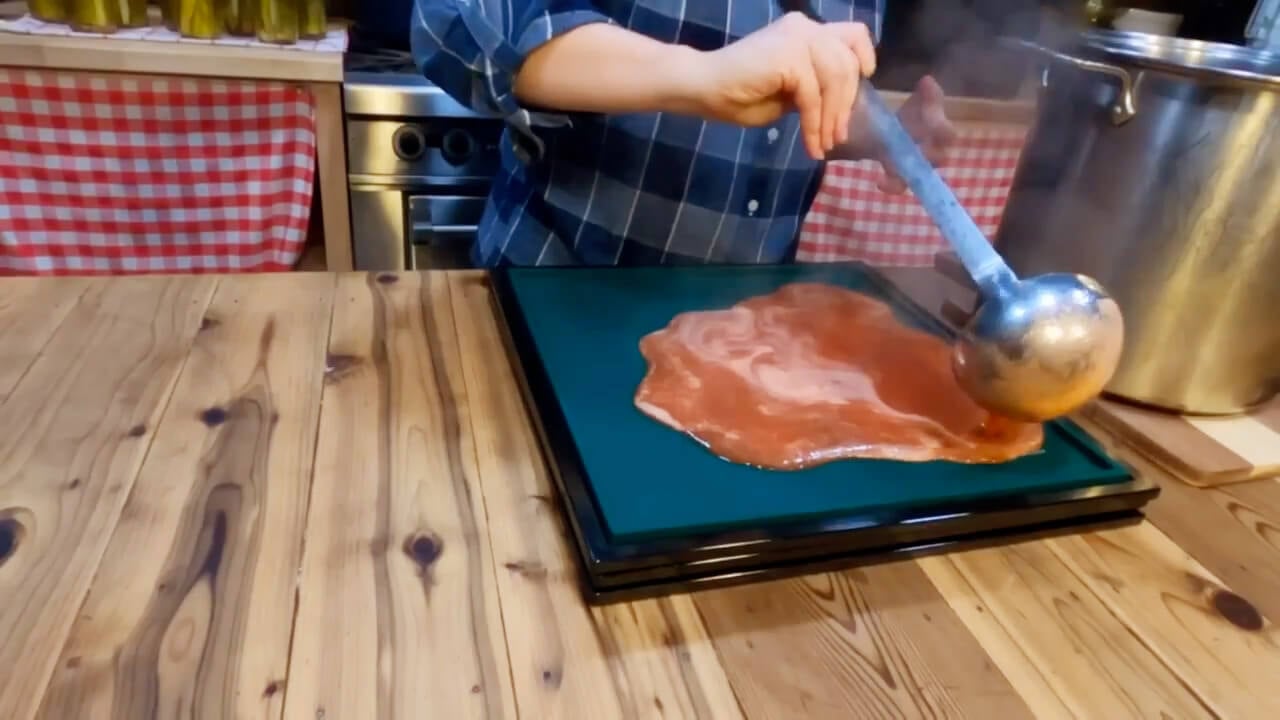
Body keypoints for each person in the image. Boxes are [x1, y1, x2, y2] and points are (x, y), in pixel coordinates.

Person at [410, 1, 955, 267]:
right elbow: (450, 21)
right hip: (562, 308)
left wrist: (881, 135)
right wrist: (703, 75)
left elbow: (788, 103)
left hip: (744, 336)